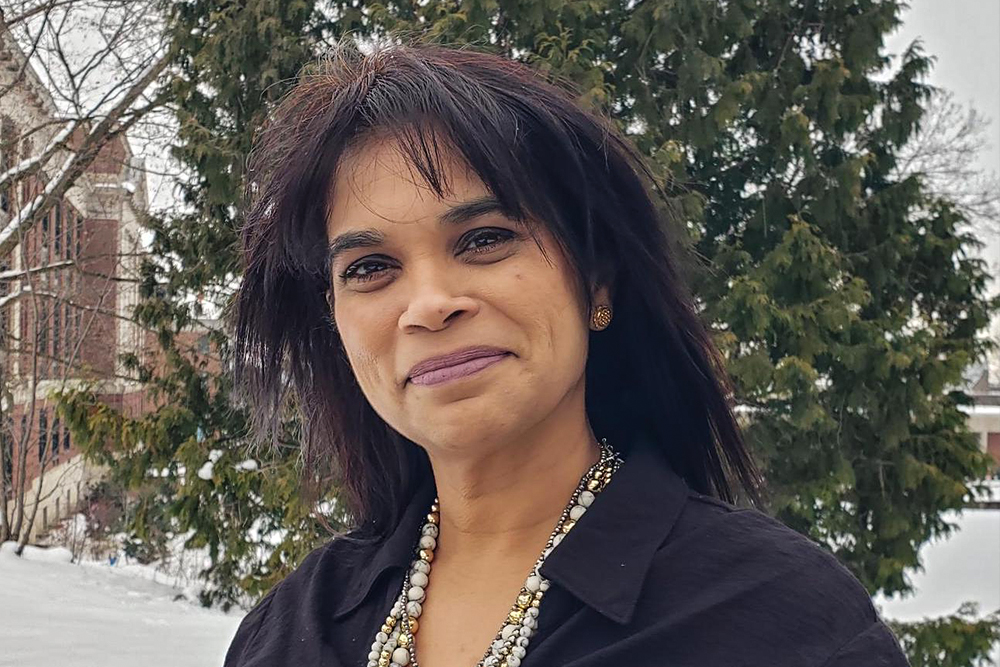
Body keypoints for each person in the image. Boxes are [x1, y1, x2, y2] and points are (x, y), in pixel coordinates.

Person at [225, 37, 909, 667]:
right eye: (371, 267)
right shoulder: (289, 630)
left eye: (484, 238)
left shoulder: (779, 620)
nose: (429, 303)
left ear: (595, 279)